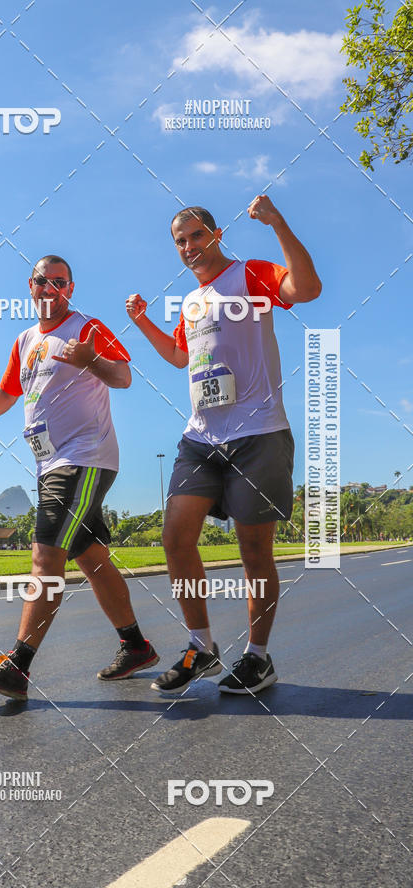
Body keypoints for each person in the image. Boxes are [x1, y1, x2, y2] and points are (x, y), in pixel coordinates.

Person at [125, 196, 321, 695]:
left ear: (215, 234)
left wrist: (278, 222)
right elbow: (176, 355)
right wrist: (144, 320)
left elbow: (307, 288)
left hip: (258, 435)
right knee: (175, 538)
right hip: (201, 439)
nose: (188, 246)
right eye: (179, 241)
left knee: (254, 552)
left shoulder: (248, 276)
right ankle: (202, 647)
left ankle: (258, 656)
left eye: (195, 235)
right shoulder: (191, 303)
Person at [0, 255, 158, 700]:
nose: (50, 289)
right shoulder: (24, 341)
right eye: (43, 281)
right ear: (31, 285)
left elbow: (123, 377)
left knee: (44, 556)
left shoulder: (87, 328)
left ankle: (17, 667)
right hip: (49, 464)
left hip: (85, 458)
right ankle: (136, 646)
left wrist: (90, 359)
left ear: (70, 289)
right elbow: (6, 395)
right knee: (92, 559)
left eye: (59, 282)